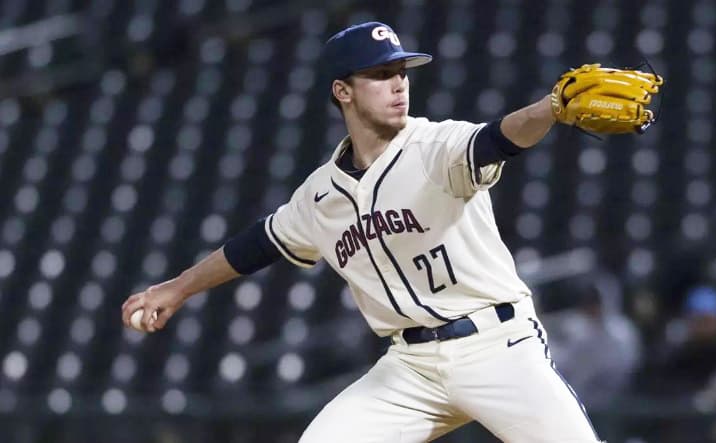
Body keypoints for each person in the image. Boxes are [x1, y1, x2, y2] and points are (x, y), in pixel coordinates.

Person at [122, 21, 603, 442]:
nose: (398, 85)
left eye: (400, 72)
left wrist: (550, 108)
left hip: (497, 347)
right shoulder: (319, 195)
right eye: (379, 75)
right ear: (342, 91)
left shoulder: (436, 146)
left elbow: (499, 136)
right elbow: (257, 245)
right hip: (410, 369)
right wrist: (177, 289)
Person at [543, 274, 641, 408]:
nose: (591, 307)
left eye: (595, 302)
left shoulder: (622, 333)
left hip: (617, 400)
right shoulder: (580, 329)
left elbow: (627, 370)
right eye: (589, 302)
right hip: (583, 401)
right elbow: (565, 361)